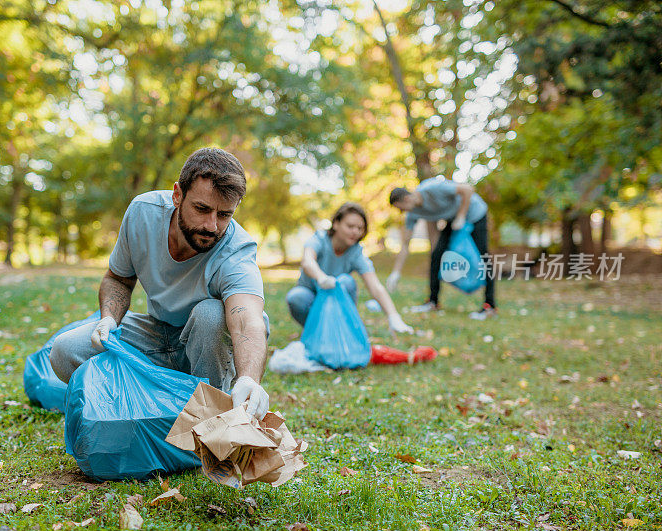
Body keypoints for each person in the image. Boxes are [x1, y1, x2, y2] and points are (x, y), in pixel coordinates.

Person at [50, 148, 271, 419]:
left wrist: (248, 379)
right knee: (64, 350)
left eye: (224, 214)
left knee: (211, 315)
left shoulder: (236, 249)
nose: (212, 225)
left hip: (206, 348)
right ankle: (150, 409)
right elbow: (118, 278)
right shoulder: (143, 213)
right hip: (156, 334)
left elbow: (248, 318)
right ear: (177, 195)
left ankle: (210, 415)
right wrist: (109, 319)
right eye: (202, 209)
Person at [285, 202, 413, 337]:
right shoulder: (319, 239)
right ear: (336, 224)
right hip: (311, 296)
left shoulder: (356, 252)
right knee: (296, 297)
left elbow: (375, 286)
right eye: (350, 226)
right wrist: (321, 277)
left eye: (360, 228)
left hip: (335, 298)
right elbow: (307, 261)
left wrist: (393, 316)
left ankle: (341, 329)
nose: (355, 232)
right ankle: (317, 332)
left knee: (346, 281)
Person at [386, 180, 496, 320]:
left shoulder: (432, 188)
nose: (401, 212)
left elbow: (468, 189)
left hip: (475, 213)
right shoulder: (413, 213)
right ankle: (433, 302)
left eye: (400, 208)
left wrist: (461, 216)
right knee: (436, 255)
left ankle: (490, 306)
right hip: (453, 218)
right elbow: (406, 244)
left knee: (484, 257)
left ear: (407, 199)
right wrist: (396, 272)